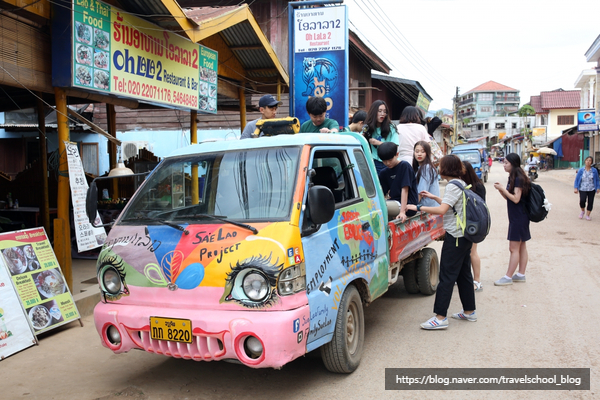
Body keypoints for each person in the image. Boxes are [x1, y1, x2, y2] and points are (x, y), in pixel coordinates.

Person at [406, 155, 476, 330]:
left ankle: (440, 317)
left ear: (446, 168)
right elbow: (450, 204)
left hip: (456, 236)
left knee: (446, 276)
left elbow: (442, 210)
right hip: (464, 236)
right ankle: (469, 311)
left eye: (441, 165)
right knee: (463, 274)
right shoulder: (459, 182)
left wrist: (419, 207)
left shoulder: (453, 185)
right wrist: (434, 197)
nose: (438, 167)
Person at [493, 153, 530, 286]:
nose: (504, 165)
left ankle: (508, 277)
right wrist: (501, 191)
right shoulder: (515, 177)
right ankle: (520, 274)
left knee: (513, 248)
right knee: (522, 246)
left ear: (513, 164)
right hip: (519, 216)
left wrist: (503, 188)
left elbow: (516, 199)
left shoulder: (519, 178)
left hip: (519, 218)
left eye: (506, 163)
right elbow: (510, 198)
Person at [377, 142, 418, 223]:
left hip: (408, 205)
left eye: (390, 160)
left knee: (381, 207)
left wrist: (402, 212)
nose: (388, 163)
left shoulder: (404, 166)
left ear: (397, 154)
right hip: (394, 203)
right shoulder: (383, 173)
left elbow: (405, 190)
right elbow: (382, 194)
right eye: (384, 161)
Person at [462, 161, 486, 292]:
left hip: (473, 224)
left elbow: (481, 207)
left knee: (472, 251)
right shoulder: (460, 185)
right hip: (462, 223)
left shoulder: (478, 186)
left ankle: (477, 280)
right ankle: (463, 278)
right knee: (463, 252)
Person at [363, 100, 398, 173]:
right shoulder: (368, 127)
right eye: (379, 111)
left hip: (388, 163)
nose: (382, 114)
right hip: (372, 162)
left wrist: (379, 143)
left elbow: (395, 146)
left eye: (384, 111)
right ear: (374, 112)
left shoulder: (391, 127)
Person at [412, 141, 439, 207]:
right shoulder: (419, 169)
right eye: (417, 151)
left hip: (427, 209)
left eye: (423, 152)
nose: (419, 154)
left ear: (427, 153)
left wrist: (411, 207)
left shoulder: (426, 168)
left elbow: (421, 192)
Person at [574, 156, 600, 221]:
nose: (588, 162)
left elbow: (597, 179)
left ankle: (588, 215)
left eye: (590, 160)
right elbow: (577, 179)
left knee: (590, 202)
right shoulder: (581, 170)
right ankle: (582, 211)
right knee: (582, 201)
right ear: (585, 161)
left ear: (591, 162)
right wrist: (576, 188)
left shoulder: (594, 171)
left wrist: (598, 187)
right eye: (587, 160)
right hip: (583, 188)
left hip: (592, 189)